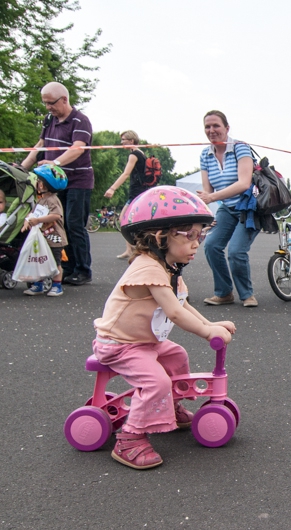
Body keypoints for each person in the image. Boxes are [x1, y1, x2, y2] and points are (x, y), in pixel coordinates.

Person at [93, 186, 235, 470]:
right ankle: (130, 439)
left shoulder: (169, 269)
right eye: (190, 235)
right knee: (155, 381)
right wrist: (207, 333)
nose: (197, 243)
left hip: (144, 342)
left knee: (177, 356)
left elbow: (182, 303)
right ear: (160, 237)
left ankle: (169, 406)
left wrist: (210, 324)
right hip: (120, 345)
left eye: (200, 236)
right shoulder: (148, 267)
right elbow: (174, 312)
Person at [21, 82, 94, 286]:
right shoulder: (49, 120)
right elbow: (40, 145)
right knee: (58, 225)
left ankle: (83, 269)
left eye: (51, 103)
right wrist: (22, 167)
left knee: (74, 224)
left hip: (78, 181)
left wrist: (54, 163)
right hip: (55, 183)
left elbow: (78, 147)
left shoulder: (80, 120)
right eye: (45, 103)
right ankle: (66, 266)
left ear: (64, 99)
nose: (48, 107)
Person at [195, 110, 259, 308]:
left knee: (236, 251)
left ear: (227, 128)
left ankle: (247, 294)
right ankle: (224, 293)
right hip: (227, 208)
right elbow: (207, 191)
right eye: (207, 126)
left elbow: (243, 183)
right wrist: (202, 214)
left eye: (216, 125)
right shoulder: (205, 155)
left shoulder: (240, 147)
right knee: (211, 245)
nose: (211, 130)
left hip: (248, 208)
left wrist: (212, 197)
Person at [20, 165, 68, 297]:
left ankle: (57, 285)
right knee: (39, 261)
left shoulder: (53, 200)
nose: (36, 183)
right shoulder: (41, 201)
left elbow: (56, 215)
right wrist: (27, 221)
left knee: (55, 262)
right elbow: (32, 213)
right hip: (42, 238)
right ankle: (38, 284)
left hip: (54, 237)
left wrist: (38, 220)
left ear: (42, 185)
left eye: (38, 181)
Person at [105, 130, 149, 259]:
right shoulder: (141, 153)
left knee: (124, 219)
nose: (121, 142)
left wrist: (112, 188)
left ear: (131, 140)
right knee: (128, 219)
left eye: (123, 140)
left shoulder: (134, 155)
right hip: (141, 191)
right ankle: (130, 249)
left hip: (136, 192)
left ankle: (135, 248)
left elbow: (125, 173)